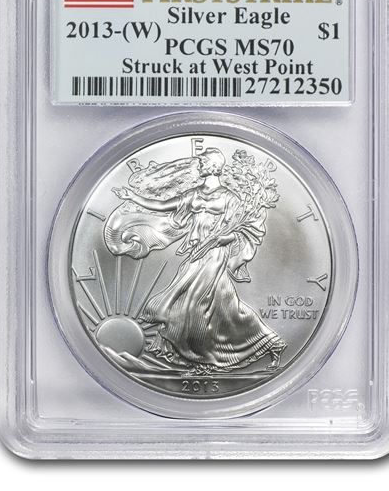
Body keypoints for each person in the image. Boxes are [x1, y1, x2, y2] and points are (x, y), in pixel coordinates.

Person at [111, 148, 286, 374]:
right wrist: (133, 197)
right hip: (196, 250)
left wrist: (225, 238)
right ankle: (266, 342)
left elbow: (243, 230)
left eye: (203, 162)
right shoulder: (194, 193)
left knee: (195, 302)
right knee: (223, 306)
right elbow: (163, 206)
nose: (199, 165)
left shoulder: (230, 198)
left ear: (213, 166)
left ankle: (203, 359)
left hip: (215, 253)